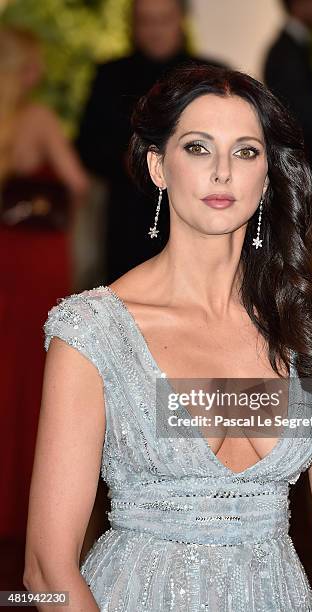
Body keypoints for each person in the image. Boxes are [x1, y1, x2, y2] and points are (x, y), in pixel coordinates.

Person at [24, 65, 312, 611]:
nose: (223, 173)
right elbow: (44, 572)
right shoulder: (93, 333)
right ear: (159, 166)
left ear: (269, 174)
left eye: (246, 152)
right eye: (199, 148)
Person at [0, 27, 89, 542]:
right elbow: (76, 182)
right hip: (36, 257)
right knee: (35, 372)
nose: (40, 73)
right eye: (32, 64)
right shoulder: (38, 119)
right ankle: (30, 509)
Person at [76, 0, 225, 284]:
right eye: (146, 21)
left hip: (197, 216)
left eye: (163, 20)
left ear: (181, 19)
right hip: (129, 217)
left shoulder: (211, 77)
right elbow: (88, 145)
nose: (155, 30)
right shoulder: (110, 76)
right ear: (132, 24)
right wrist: (128, 160)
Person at [263, 0, 312, 203]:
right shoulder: (287, 52)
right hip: (302, 166)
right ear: (299, 5)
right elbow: (299, 112)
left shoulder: (294, 46)